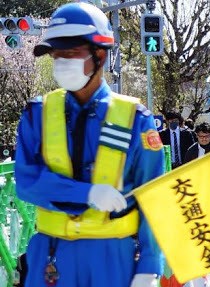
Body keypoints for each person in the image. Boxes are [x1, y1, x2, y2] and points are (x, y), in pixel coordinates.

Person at [15, 3, 163, 286]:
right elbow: (26, 181)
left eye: (71, 53)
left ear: (100, 54)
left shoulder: (135, 118)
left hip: (114, 256)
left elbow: (152, 196)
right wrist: (88, 193)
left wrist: (150, 264)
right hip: (51, 256)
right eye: (57, 55)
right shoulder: (37, 113)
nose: (61, 62)